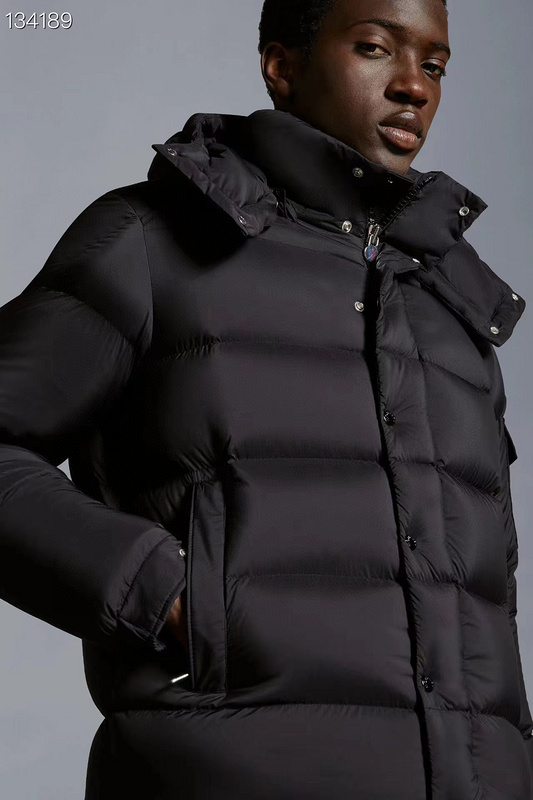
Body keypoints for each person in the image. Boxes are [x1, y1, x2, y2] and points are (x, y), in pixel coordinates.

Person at [0, 0, 531, 797]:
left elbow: (487, 597)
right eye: (375, 48)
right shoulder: (153, 243)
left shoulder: (452, 313)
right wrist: (164, 593)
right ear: (282, 67)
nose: (413, 86)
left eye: (433, 66)